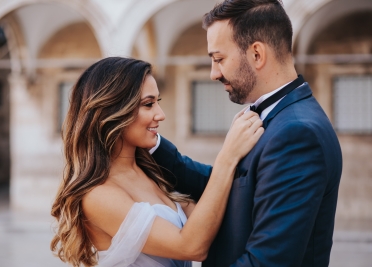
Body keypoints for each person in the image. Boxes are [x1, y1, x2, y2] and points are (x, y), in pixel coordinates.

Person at [151, 0, 342, 266]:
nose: (213, 73)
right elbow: (228, 188)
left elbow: (267, 261)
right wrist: (151, 144)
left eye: (219, 59)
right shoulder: (273, 117)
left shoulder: (298, 134)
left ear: (256, 54)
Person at [50, 57, 263, 267]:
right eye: (148, 104)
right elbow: (191, 246)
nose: (160, 115)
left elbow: (210, 220)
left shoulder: (152, 171)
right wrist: (227, 157)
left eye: (157, 103)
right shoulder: (97, 195)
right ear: (113, 111)